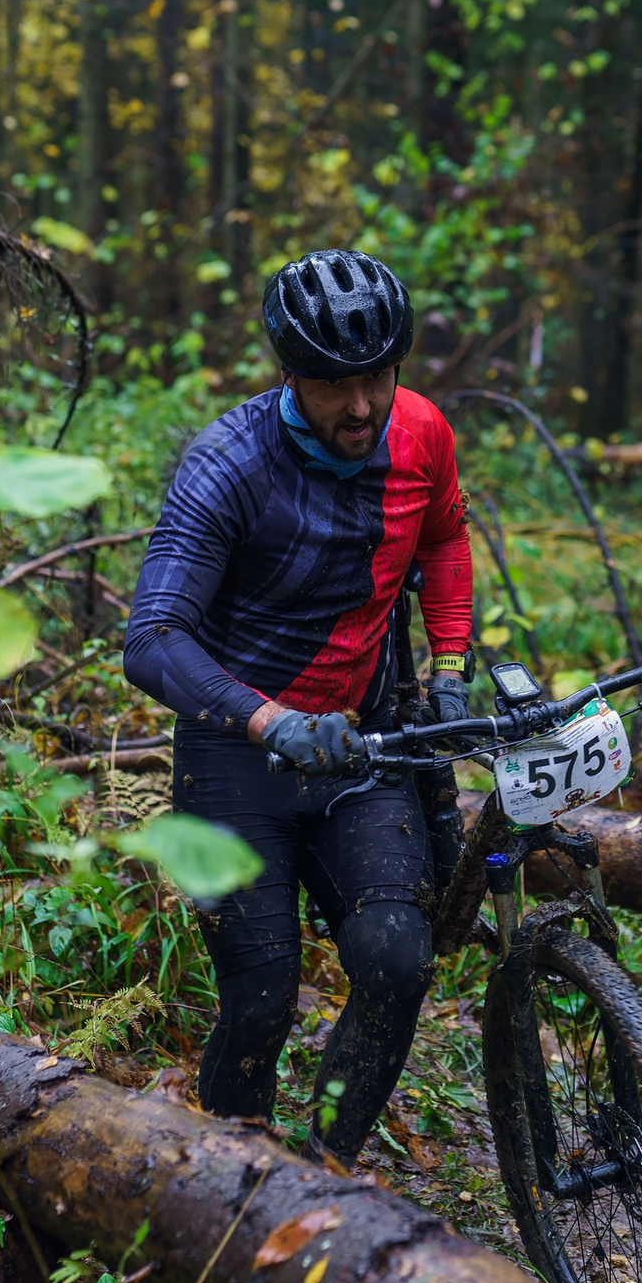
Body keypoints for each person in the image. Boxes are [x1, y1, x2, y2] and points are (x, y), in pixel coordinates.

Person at [123, 249, 474, 1162]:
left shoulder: (421, 433)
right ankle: (229, 1186)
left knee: (398, 959)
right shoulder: (229, 464)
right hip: (237, 755)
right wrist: (270, 719)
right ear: (290, 374)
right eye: (332, 383)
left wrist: (453, 659)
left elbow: (443, 534)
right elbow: (152, 637)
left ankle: (324, 1171)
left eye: (377, 377)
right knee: (262, 993)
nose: (360, 406)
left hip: (363, 743)